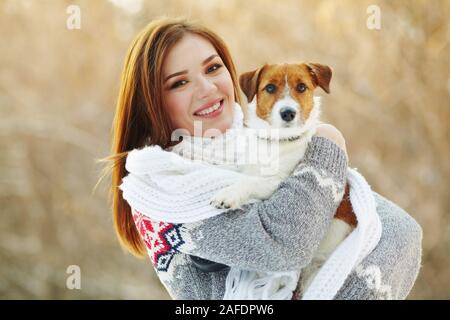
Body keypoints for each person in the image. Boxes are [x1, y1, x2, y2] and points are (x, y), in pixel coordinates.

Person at [103, 16, 422, 299]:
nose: (207, 88)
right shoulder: (162, 191)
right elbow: (286, 243)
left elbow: (399, 230)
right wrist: (328, 143)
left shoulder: (259, 145)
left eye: (213, 68)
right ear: (150, 105)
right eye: (179, 83)